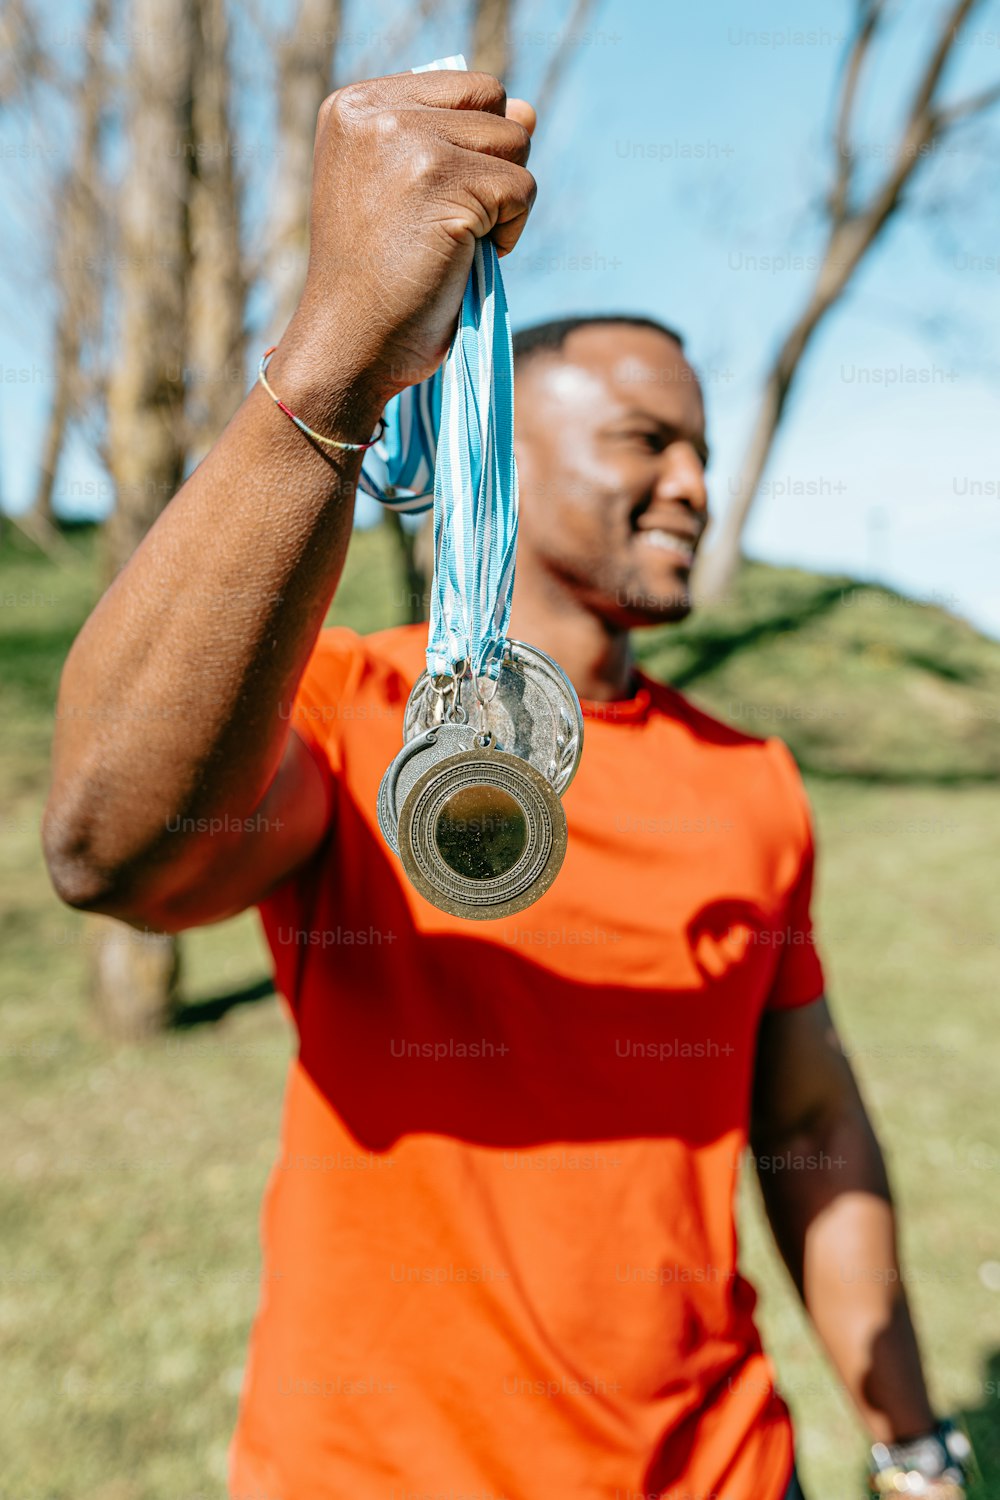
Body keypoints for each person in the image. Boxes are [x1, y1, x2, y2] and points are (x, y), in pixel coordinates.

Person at [43, 69, 967, 1500]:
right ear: (505, 446)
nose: (695, 487)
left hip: (722, 1469)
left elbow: (808, 1122)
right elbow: (115, 851)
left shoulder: (756, 781)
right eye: (646, 441)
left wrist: (910, 1440)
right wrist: (343, 344)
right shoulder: (358, 714)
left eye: (707, 453)